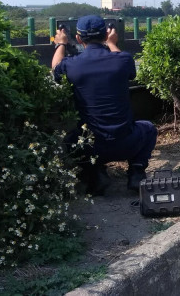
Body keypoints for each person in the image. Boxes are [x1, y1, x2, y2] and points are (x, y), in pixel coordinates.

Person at [52, 15, 156, 195]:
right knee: (148, 129)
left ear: (78, 38)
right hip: (127, 143)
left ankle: (95, 174)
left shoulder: (73, 65)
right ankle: (136, 173)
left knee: (70, 140)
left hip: (92, 147)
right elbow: (123, 62)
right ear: (106, 35)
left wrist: (60, 43)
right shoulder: (122, 60)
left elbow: (56, 68)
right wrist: (113, 43)